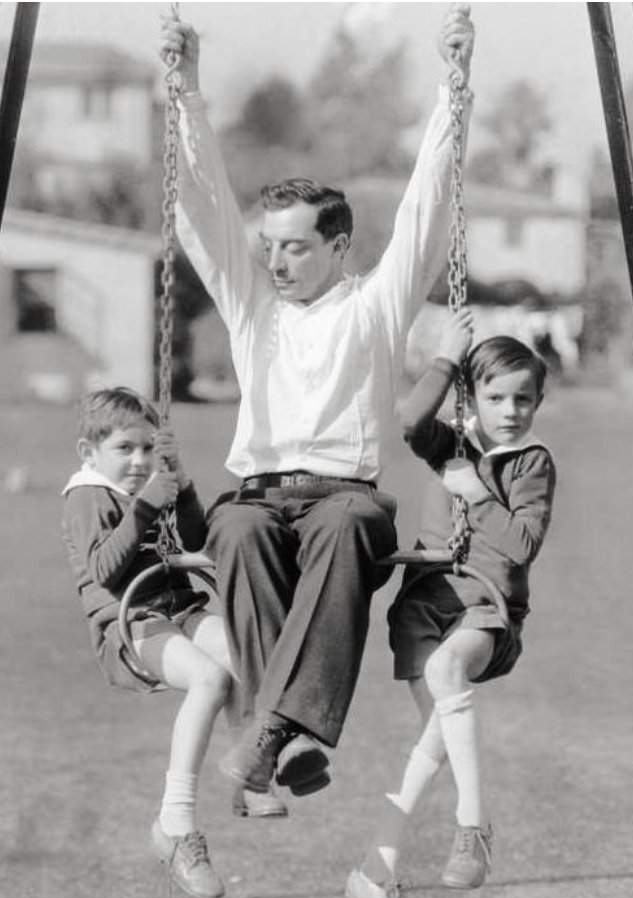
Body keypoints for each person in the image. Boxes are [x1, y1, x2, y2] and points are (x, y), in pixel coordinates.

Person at [159, 5, 476, 801]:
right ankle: (286, 746)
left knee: (343, 525)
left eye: (296, 246)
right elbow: (198, 208)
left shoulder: (375, 305)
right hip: (261, 497)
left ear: (340, 245)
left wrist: (453, 88)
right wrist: (186, 91)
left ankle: (265, 729)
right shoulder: (252, 307)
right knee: (233, 525)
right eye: (270, 246)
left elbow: (428, 207)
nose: (277, 261)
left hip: (347, 502)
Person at [346, 315, 557, 898]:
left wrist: (479, 493)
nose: (510, 410)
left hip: (485, 609)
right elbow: (410, 423)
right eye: (495, 397)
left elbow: (521, 544)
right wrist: (445, 360)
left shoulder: (532, 463)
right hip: (423, 604)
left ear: (538, 402)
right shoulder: (452, 446)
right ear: (474, 398)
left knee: (445, 676)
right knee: (435, 739)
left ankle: (474, 826)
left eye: (523, 398)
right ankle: (374, 871)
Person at [61, 387, 284, 898]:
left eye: (146, 449)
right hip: (129, 623)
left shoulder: (150, 484)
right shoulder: (86, 495)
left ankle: (250, 776)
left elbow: (195, 537)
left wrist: (180, 487)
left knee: (240, 650)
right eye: (124, 449)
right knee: (208, 681)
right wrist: (143, 507)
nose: (138, 461)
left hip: (177, 608)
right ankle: (176, 826)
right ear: (88, 453)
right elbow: (104, 571)